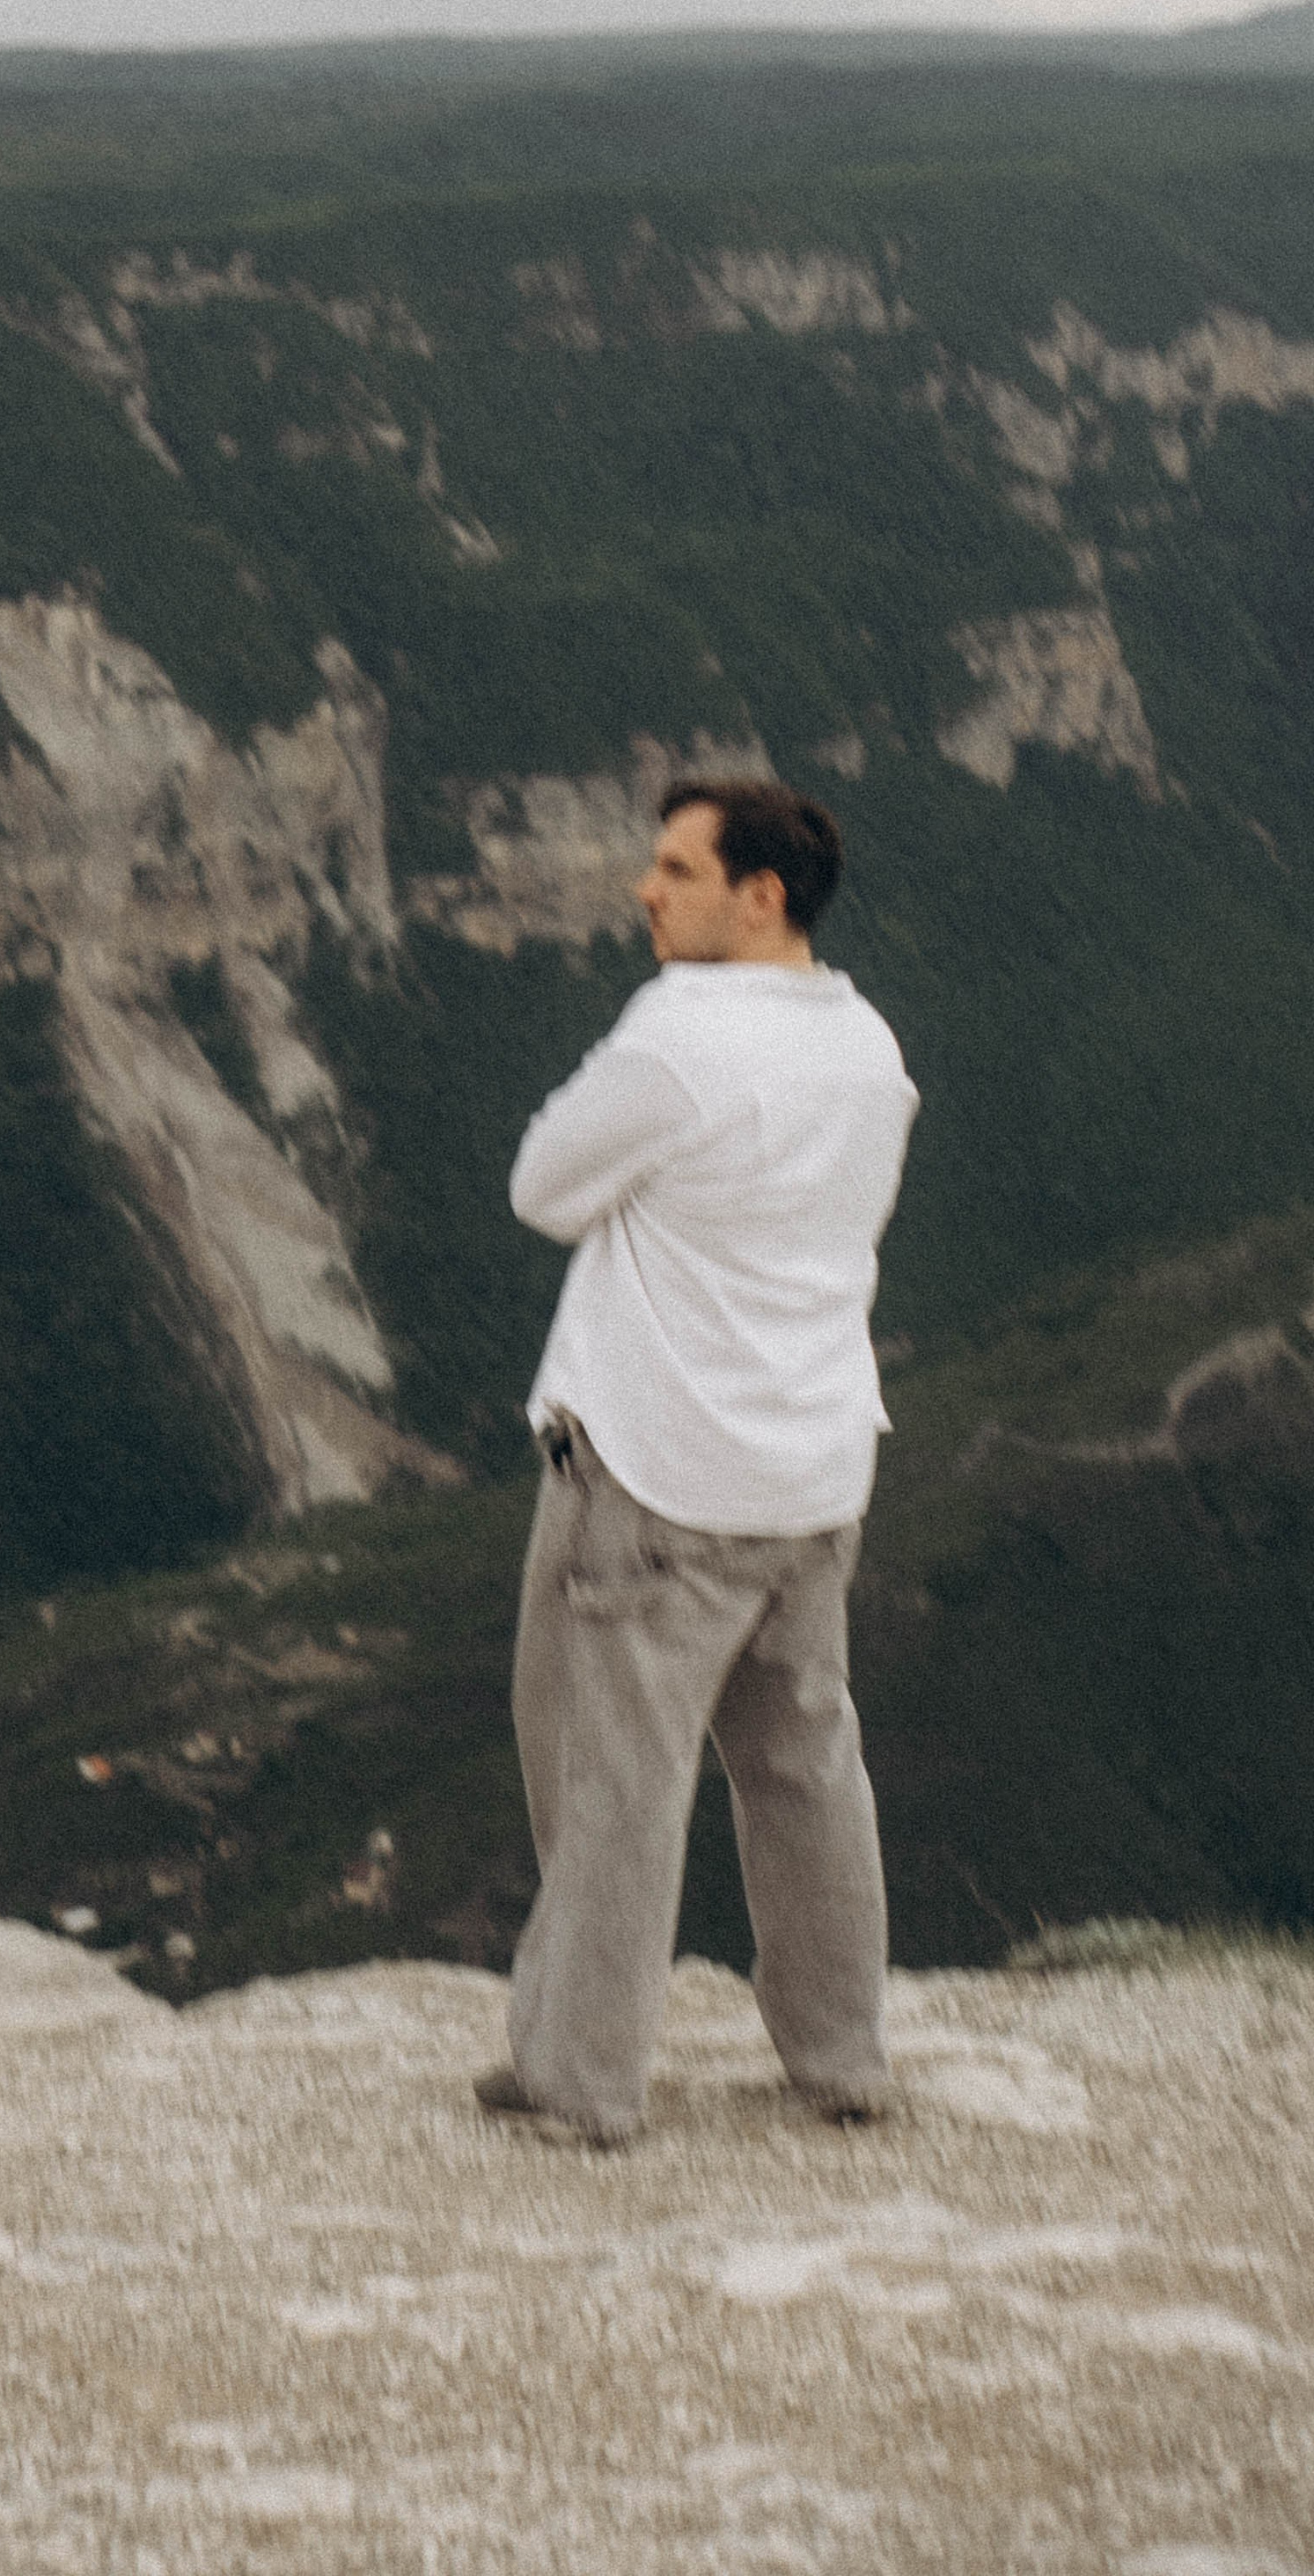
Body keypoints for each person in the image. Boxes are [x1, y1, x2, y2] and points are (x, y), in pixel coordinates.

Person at [476, 776, 919, 2147]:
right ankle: (842, 2058)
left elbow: (542, 1186)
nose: (643, 890)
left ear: (760, 895)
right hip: (815, 1465)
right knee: (806, 1767)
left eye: (675, 869)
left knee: (614, 1780)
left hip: (662, 1471)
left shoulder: (677, 1034)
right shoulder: (867, 1043)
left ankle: (582, 2079)